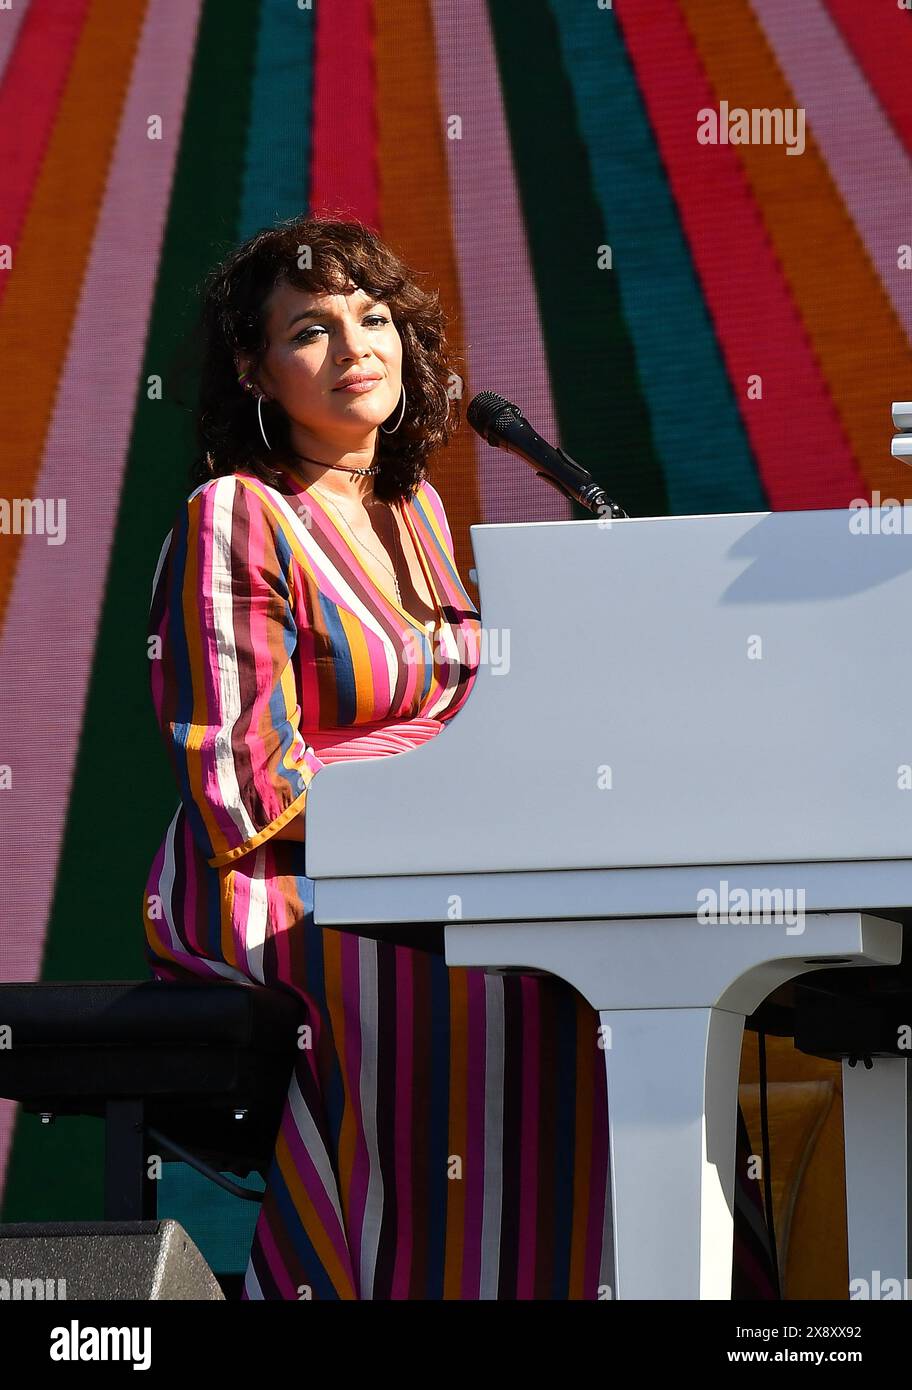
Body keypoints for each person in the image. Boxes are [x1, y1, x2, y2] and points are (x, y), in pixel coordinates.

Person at [141, 213, 778, 1299]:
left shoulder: (418, 510)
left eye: (374, 318)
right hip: (294, 886)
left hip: (456, 872)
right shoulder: (233, 515)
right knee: (489, 999)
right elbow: (243, 783)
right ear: (253, 367)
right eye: (312, 331)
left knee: (605, 988)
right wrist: (448, 824)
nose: (357, 350)